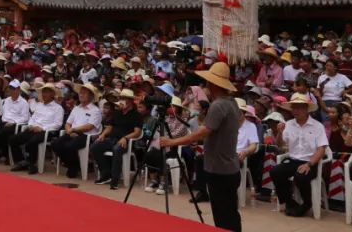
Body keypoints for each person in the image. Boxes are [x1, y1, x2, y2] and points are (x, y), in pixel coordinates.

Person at [161, 61, 242, 232]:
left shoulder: (218, 105)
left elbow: (202, 133)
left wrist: (171, 142)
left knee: (222, 216)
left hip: (219, 169)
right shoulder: (232, 102)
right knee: (230, 213)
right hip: (230, 168)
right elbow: (234, 124)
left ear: (212, 84)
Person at [271, 92, 329, 219]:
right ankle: (289, 201)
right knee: (276, 172)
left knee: (301, 176)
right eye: (294, 107)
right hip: (293, 159)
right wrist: (279, 133)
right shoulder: (289, 124)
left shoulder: (317, 126)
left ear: (306, 109)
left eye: (299, 107)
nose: (296, 110)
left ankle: (307, 203)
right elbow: (280, 145)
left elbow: (321, 149)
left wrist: (309, 164)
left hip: (310, 161)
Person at [91, 89, 143, 190]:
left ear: (130, 101)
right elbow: (110, 127)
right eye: (121, 98)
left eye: (124, 98)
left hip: (126, 141)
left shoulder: (136, 115)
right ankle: (106, 175)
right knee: (95, 147)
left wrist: (125, 138)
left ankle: (115, 181)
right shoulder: (117, 113)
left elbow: (137, 132)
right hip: (111, 138)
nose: (122, 100)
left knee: (117, 149)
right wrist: (103, 134)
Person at [10, 83, 65, 174]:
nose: (44, 94)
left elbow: (58, 124)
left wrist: (42, 128)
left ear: (52, 94)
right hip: (34, 129)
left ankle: (32, 164)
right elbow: (32, 118)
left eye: (47, 92)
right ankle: (22, 162)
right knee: (13, 139)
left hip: (47, 131)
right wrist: (31, 125)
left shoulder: (58, 108)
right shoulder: (39, 105)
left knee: (32, 141)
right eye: (43, 92)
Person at [53, 82, 104, 180]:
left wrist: (74, 129)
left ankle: (73, 167)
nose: (81, 95)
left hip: (86, 136)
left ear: (91, 96)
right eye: (80, 92)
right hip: (72, 132)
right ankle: (73, 165)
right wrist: (69, 131)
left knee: (69, 146)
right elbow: (68, 123)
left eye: (84, 93)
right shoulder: (77, 108)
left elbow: (89, 126)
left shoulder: (95, 110)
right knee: (56, 144)